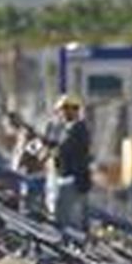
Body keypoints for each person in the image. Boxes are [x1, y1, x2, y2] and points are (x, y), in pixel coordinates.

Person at [44, 94, 92, 231]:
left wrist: (52, 148)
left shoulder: (77, 128)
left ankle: (73, 246)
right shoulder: (67, 129)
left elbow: (64, 149)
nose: (62, 113)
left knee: (66, 218)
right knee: (67, 217)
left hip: (72, 179)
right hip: (68, 178)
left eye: (65, 109)